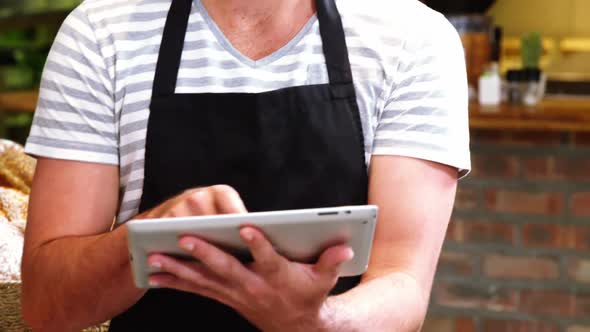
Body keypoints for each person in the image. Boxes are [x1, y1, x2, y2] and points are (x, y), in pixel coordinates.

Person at [21, 0, 471, 330]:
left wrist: (317, 322)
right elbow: (47, 305)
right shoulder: (100, 35)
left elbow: (402, 282)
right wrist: (151, 234)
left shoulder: (413, 38)